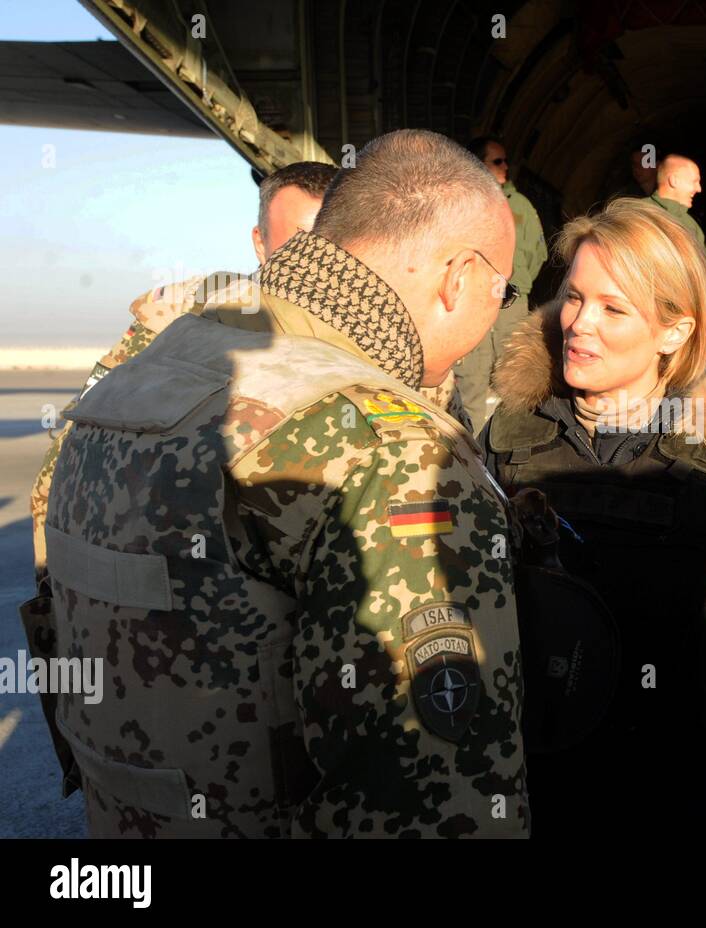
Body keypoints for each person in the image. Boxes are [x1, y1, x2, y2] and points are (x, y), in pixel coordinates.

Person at [24, 130, 530, 837]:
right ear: (458, 278)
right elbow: (431, 800)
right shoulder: (393, 446)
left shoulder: (149, 371)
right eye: (501, 293)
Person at [482, 198, 706, 838]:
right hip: (537, 785)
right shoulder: (507, 438)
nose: (579, 324)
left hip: (677, 790)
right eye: (574, 298)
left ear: (675, 332)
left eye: (613, 308)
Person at [458, 136, 549, 431]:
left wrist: (517, 285)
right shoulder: (461, 203)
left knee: (513, 379)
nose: (505, 166)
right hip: (474, 303)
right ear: (478, 164)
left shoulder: (520, 205)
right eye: (497, 161)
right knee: (472, 377)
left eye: (506, 160)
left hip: (511, 304)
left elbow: (538, 252)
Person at [645, 153, 705, 245]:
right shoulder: (635, 212)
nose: (699, 189)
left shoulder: (692, 226)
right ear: (674, 181)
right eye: (694, 181)